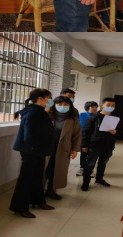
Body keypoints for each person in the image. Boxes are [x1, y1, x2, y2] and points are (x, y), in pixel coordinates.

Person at [10, 89, 55, 218]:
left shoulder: (39, 111)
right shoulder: (33, 113)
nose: (50, 100)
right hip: (31, 149)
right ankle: (19, 207)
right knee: (26, 178)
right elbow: (29, 135)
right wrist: (36, 147)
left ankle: (38, 200)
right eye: (49, 98)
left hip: (38, 149)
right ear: (40, 98)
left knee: (37, 175)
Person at [45, 96, 81, 200]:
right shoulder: (47, 116)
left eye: (66, 104)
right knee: (45, 168)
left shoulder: (73, 119)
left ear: (70, 106)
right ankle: (38, 190)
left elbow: (77, 135)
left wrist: (75, 149)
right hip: (47, 146)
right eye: (60, 104)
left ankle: (51, 190)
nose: (62, 106)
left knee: (57, 169)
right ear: (54, 105)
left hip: (63, 148)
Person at [81, 98, 118, 191]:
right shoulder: (94, 117)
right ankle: (85, 182)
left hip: (108, 145)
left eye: (113, 105)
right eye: (108, 105)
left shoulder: (114, 118)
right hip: (95, 145)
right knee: (90, 164)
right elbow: (85, 132)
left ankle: (99, 179)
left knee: (103, 163)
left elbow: (119, 131)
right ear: (103, 105)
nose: (110, 107)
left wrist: (115, 132)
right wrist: (84, 145)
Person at [77, 101, 99, 177]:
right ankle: (82, 168)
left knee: (92, 154)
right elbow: (79, 126)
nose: (95, 108)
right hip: (84, 137)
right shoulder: (82, 115)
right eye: (93, 107)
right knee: (83, 153)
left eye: (96, 107)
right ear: (88, 107)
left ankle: (90, 170)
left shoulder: (98, 116)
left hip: (94, 138)